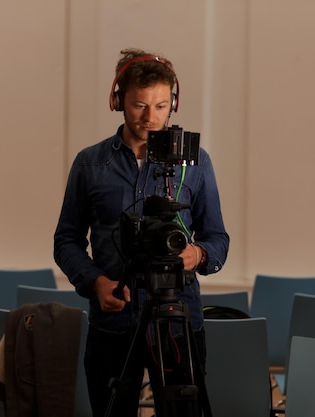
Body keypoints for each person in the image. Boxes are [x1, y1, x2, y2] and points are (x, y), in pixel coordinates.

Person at [54, 48, 229, 417]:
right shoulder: (90, 164)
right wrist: (94, 282)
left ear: (173, 104)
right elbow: (65, 241)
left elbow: (217, 239)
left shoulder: (196, 163)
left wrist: (198, 255)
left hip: (179, 322)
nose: (152, 117)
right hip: (113, 322)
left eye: (162, 106)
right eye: (139, 106)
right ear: (118, 101)